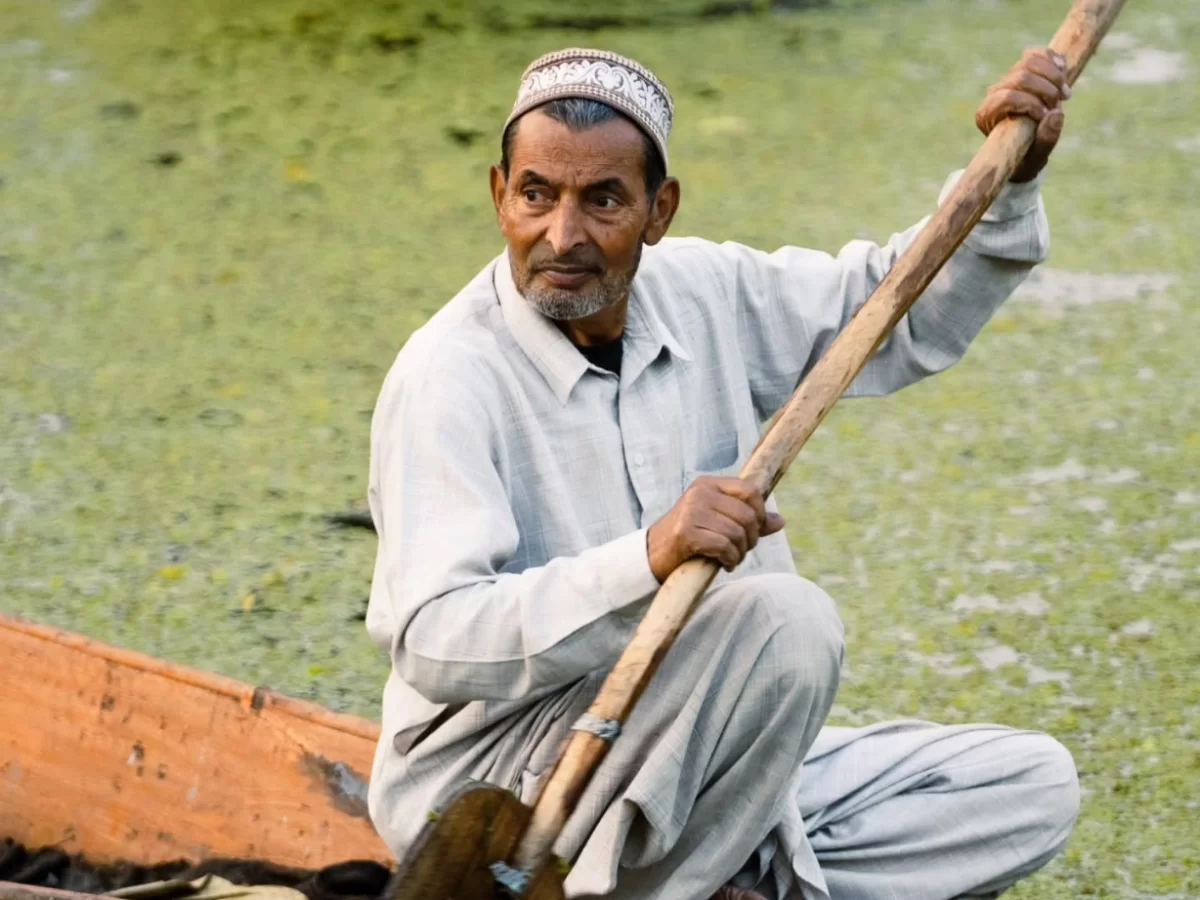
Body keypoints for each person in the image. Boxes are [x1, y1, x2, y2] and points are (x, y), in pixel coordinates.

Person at [363, 45, 1080, 900]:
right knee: (785, 620)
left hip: (695, 749)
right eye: (536, 195)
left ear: (658, 210)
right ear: (498, 194)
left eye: (603, 201)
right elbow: (432, 638)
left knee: (1027, 785)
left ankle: (729, 875)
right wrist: (648, 558)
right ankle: (717, 878)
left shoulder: (703, 290)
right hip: (503, 775)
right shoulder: (448, 374)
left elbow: (898, 306)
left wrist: (1013, 179)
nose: (563, 237)